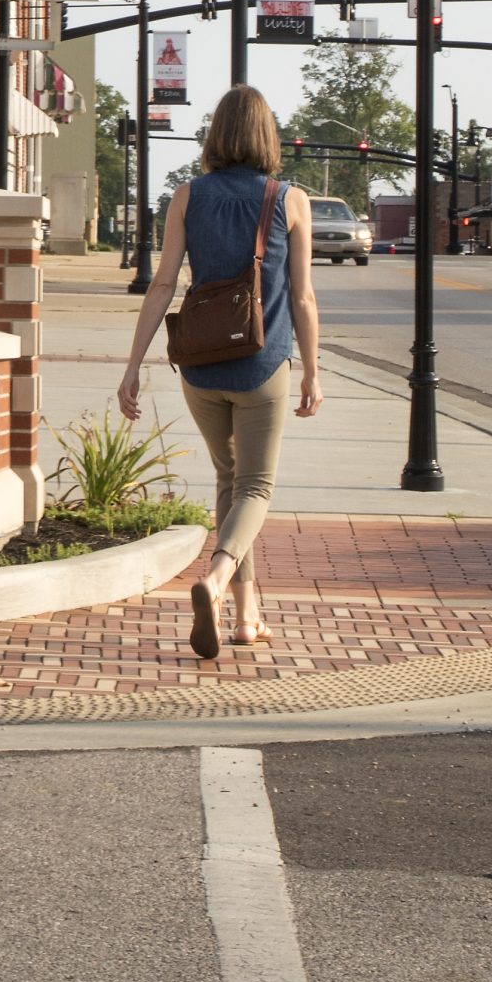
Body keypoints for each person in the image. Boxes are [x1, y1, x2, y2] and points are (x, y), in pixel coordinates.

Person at [116, 82, 321, 661]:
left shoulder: (187, 195)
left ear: (214, 135)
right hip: (262, 364)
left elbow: (162, 284)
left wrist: (132, 366)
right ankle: (217, 574)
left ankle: (246, 616)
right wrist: (311, 371)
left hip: (199, 367)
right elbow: (302, 298)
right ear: (267, 135)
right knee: (255, 485)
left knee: (229, 481)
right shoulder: (290, 199)